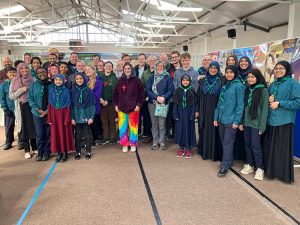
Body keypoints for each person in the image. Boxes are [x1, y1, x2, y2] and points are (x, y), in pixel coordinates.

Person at [263, 61, 300, 183]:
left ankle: (283, 174)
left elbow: (298, 102)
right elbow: (270, 102)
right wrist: (270, 99)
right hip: (271, 121)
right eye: (276, 68)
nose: (278, 70)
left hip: (284, 121)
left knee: (281, 150)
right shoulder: (273, 84)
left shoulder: (293, 83)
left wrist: (280, 103)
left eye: (281, 68)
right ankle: (271, 172)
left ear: (287, 70)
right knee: (271, 149)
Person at [214, 65, 245, 177]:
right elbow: (220, 103)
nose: (229, 74)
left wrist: (237, 121)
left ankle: (225, 165)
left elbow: (240, 105)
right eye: (227, 72)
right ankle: (229, 160)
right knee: (224, 142)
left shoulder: (239, 86)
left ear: (235, 73)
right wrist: (216, 117)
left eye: (231, 72)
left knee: (227, 143)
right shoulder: (225, 86)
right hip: (222, 118)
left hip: (231, 120)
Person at [239, 69, 269, 181]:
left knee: (256, 146)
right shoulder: (247, 89)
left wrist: (262, 126)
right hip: (247, 123)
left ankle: (260, 168)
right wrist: (241, 122)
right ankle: (250, 164)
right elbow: (244, 107)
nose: (250, 79)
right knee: (247, 144)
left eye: (253, 77)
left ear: (258, 77)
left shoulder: (263, 90)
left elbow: (265, 109)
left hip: (257, 124)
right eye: (249, 77)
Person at [113, 62, 144, 153]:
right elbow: (115, 94)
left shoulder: (137, 81)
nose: (127, 70)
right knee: (122, 128)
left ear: (132, 69)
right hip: (121, 109)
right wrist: (115, 105)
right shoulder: (119, 81)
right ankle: (125, 144)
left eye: (129, 68)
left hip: (134, 109)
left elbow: (141, 94)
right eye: (125, 69)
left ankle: (133, 144)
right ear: (123, 70)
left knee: (134, 127)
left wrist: (138, 105)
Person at [9, 63, 37, 159]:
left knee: (33, 127)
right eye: (22, 68)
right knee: (24, 128)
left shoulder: (33, 79)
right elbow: (11, 96)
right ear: (18, 70)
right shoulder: (14, 80)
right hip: (21, 107)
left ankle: (34, 147)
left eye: (26, 68)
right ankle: (26, 150)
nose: (24, 70)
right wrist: (21, 90)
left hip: (32, 106)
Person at [197, 61, 223, 161]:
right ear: (208, 69)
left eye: (215, 68)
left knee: (216, 131)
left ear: (218, 69)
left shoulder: (222, 80)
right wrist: (197, 110)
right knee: (205, 129)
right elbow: (198, 96)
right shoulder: (202, 81)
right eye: (211, 68)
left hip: (216, 110)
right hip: (204, 110)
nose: (213, 70)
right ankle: (205, 152)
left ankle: (215, 154)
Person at [146, 61, 174, 150]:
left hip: (162, 103)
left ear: (164, 67)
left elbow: (170, 90)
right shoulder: (151, 77)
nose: (159, 67)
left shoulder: (167, 77)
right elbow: (148, 90)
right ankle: (155, 142)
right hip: (152, 103)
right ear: (155, 67)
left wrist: (164, 98)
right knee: (154, 123)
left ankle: (162, 142)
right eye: (158, 66)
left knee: (162, 123)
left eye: (161, 66)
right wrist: (156, 97)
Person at [48, 74, 74, 163]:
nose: (58, 82)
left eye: (60, 80)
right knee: (56, 134)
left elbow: (68, 105)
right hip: (54, 115)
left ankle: (65, 152)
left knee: (64, 133)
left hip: (63, 114)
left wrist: (67, 118)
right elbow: (50, 105)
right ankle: (59, 152)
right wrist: (50, 118)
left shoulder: (66, 91)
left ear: (63, 81)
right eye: (56, 80)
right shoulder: (51, 91)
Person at [28, 67, 52, 161]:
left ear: (47, 73)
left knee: (48, 133)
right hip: (37, 114)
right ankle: (40, 152)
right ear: (36, 74)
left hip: (49, 113)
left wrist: (46, 111)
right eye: (39, 73)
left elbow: (54, 100)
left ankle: (47, 152)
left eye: (43, 72)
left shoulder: (52, 85)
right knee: (40, 134)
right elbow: (30, 99)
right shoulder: (33, 85)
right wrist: (37, 109)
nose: (41, 74)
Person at [173, 75, 198, 158]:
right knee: (180, 130)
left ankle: (188, 148)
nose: (185, 82)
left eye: (187, 80)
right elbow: (175, 103)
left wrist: (193, 114)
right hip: (180, 112)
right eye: (183, 80)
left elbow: (194, 104)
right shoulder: (178, 90)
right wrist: (175, 113)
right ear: (181, 81)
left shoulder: (192, 90)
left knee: (188, 130)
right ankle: (181, 148)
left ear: (190, 81)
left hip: (189, 113)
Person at [71, 73, 96, 160]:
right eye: (77, 79)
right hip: (77, 117)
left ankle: (88, 151)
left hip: (86, 117)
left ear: (84, 79)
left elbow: (93, 105)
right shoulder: (73, 90)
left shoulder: (88, 90)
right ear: (75, 80)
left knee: (87, 135)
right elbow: (71, 106)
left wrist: (91, 117)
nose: (79, 80)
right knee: (77, 135)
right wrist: (72, 118)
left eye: (81, 78)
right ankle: (78, 152)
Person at [100, 61, 117, 144]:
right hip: (101, 102)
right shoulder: (100, 77)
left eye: (110, 66)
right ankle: (105, 136)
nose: (108, 67)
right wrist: (101, 100)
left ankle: (113, 137)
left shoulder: (114, 78)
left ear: (112, 68)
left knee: (112, 121)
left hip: (111, 103)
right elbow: (98, 89)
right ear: (104, 67)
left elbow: (114, 91)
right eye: (107, 66)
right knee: (104, 121)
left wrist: (107, 100)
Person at [140, 55, 157, 143]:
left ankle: (157, 136)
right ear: (148, 62)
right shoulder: (145, 73)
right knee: (147, 118)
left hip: (158, 99)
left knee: (157, 119)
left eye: (153, 60)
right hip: (147, 99)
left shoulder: (159, 71)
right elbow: (142, 85)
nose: (152, 62)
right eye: (150, 61)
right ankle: (149, 135)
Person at [85, 65, 103, 145]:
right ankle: (94, 137)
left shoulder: (98, 81)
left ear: (93, 70)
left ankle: (98, 137)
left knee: (95, 122)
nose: (87, 71)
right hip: (86, 106)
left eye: (89, 69)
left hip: (94, 105)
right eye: (86, 70)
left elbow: (97, 95)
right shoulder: (85, 81)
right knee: (90, 123)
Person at [0, 66, 16, 150]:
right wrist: (5, 108)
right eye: (10, 72)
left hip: (19, 109)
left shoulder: (19, 83)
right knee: (9, 127)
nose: (12, 74)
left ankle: (21, 141)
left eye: (14, 72)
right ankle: (8, 142)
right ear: (7, 74)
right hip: (9, 109)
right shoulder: (3, 85)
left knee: (21, 126)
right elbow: (2, 98)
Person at [166, 50, 181, 141]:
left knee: (180, 116)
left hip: (182, 97)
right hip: (172, 97)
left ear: (179, 57)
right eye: (173, 57)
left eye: (176, 56)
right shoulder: (169, 70)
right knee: (172, 116)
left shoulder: (183, 68)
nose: (174, 58)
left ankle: (179, 134)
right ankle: (173, 134)